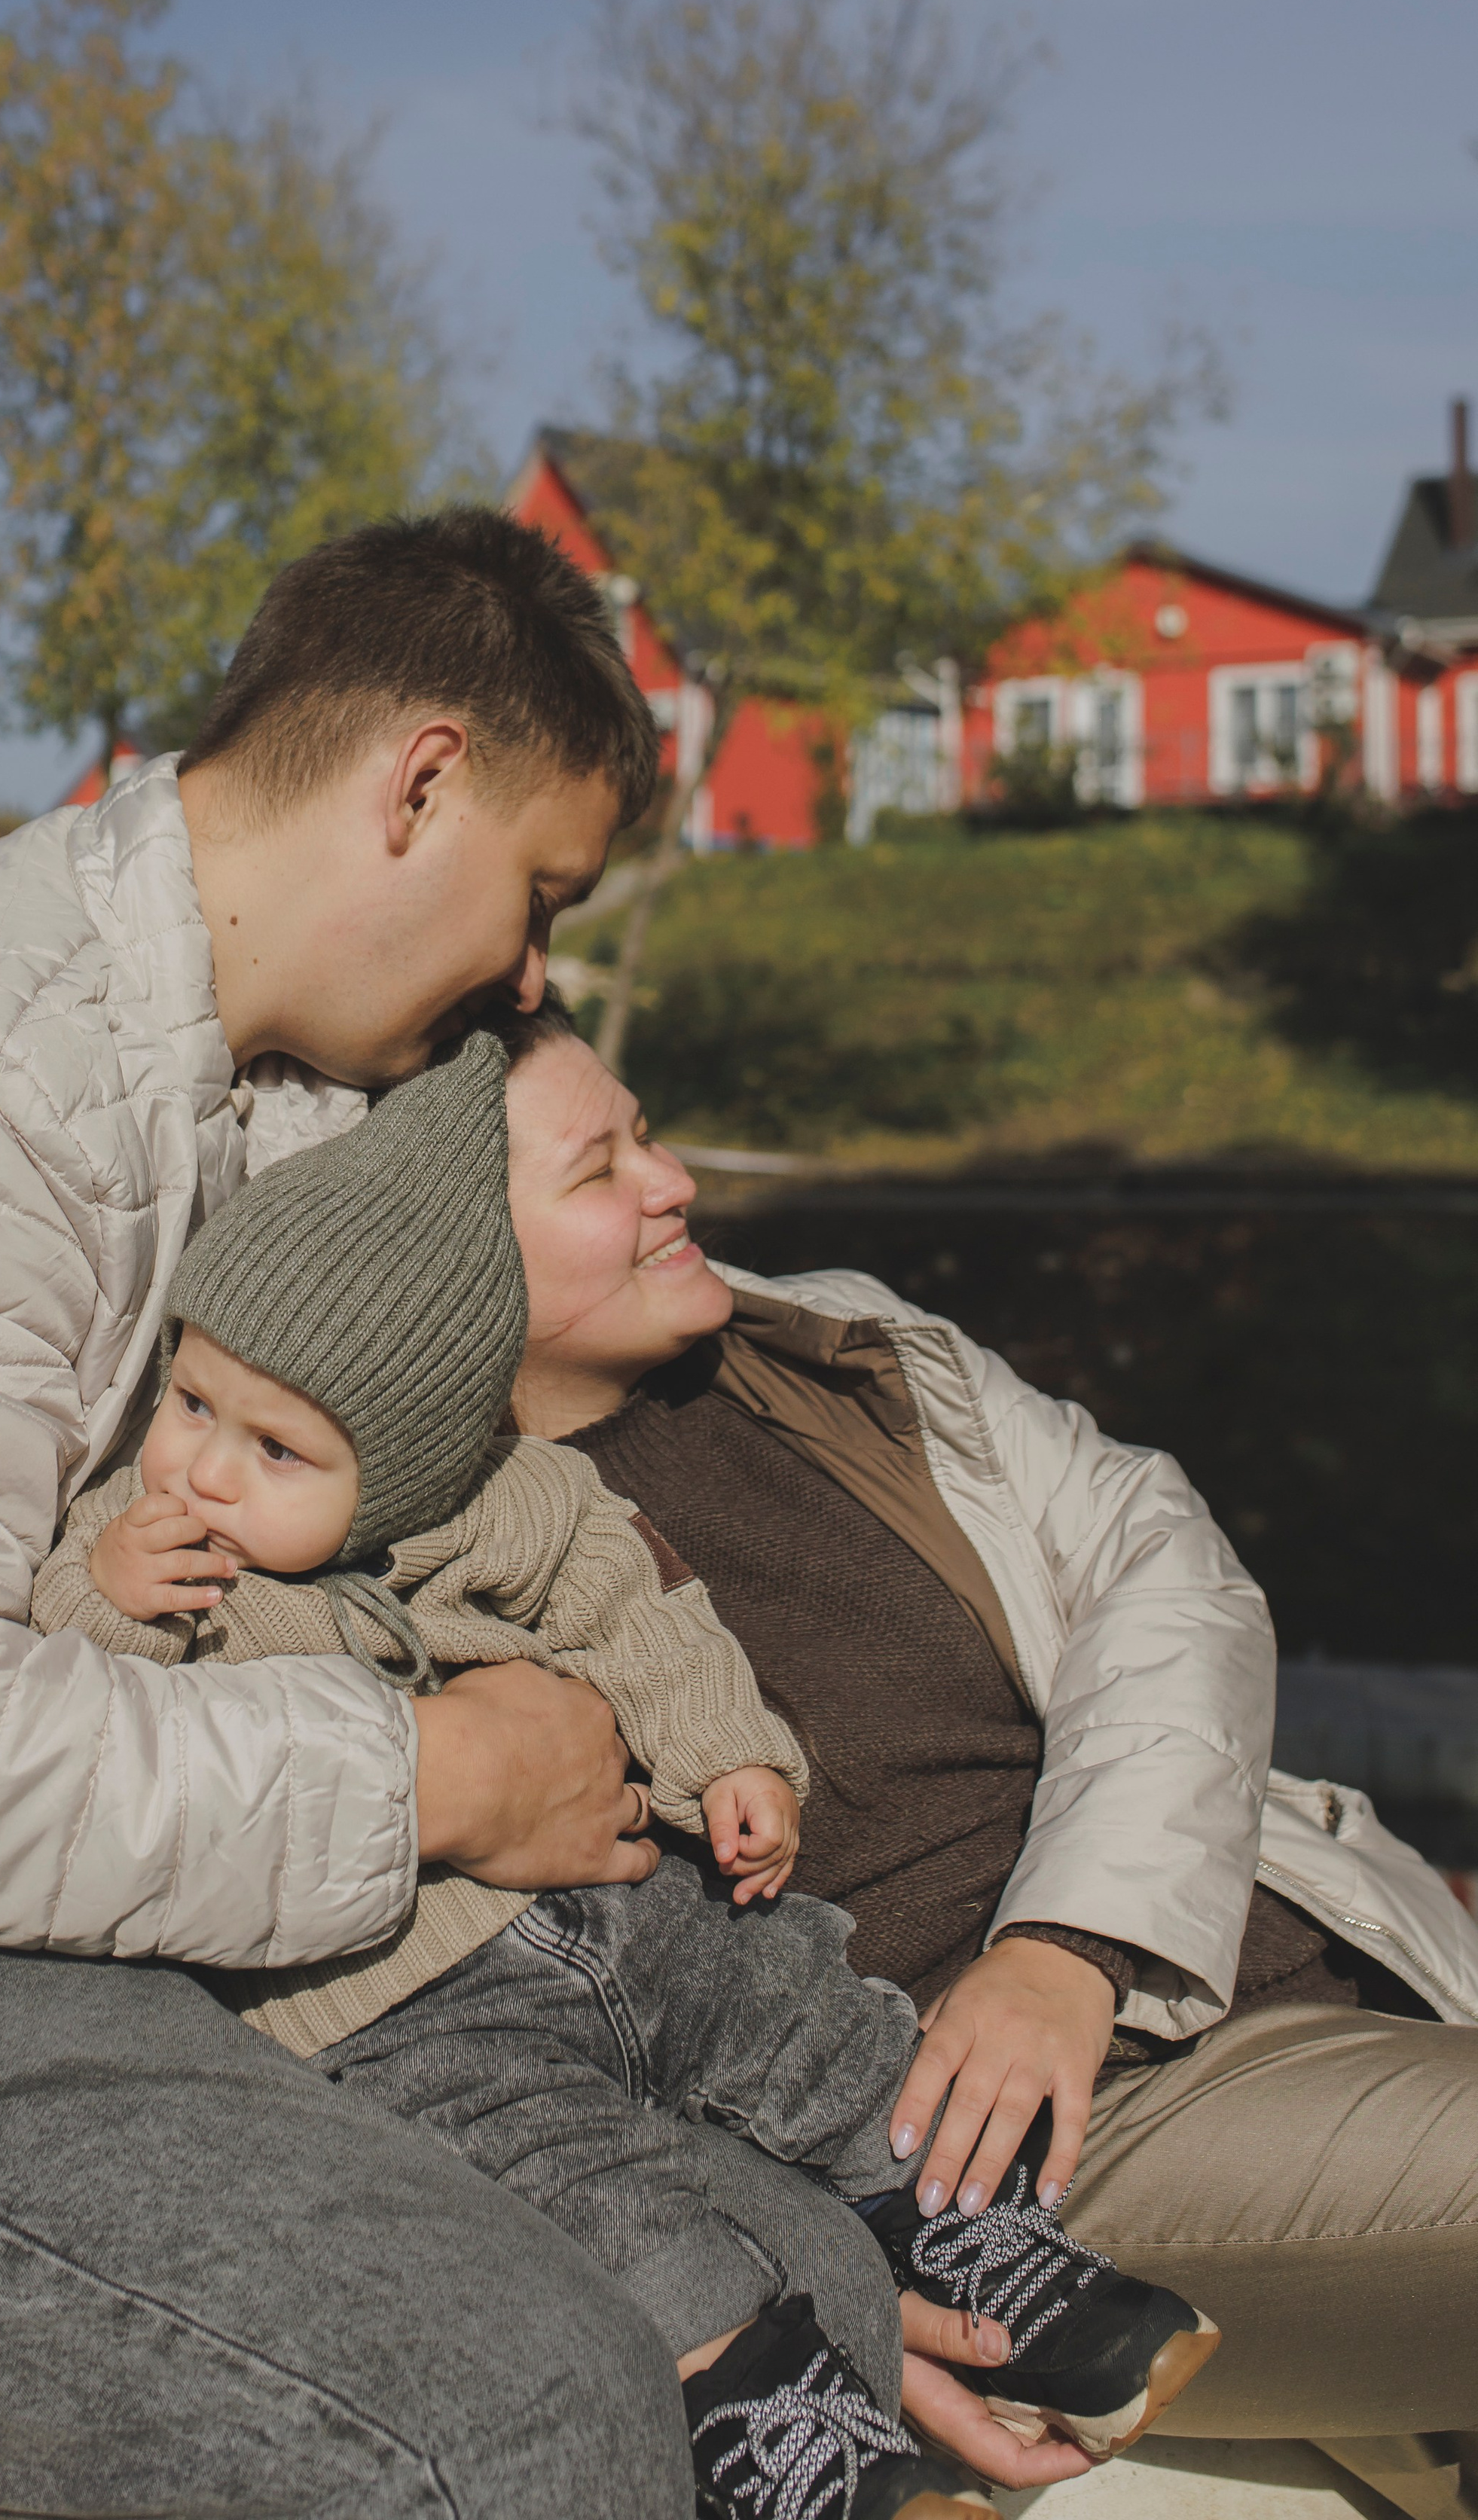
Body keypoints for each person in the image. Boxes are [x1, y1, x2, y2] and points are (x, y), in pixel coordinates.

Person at [0, 510, 723, 2520]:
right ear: (420, 781)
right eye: (538, 896)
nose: (533, 974)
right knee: (519, 2419)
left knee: (739, 2235)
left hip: (5, 1917)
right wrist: (422, 1776)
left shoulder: (258, 1078)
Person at [35, 1026, 1217, 2518]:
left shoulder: (515, 1498)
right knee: (586, 2192)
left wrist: (731, 1754)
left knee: (803, 2001)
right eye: (189, 1407)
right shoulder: (155, 1559)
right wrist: (111, 1600)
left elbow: (636, 1612)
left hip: (639, 1907)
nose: (201, 1465)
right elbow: (65, 1725)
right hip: (399, 1999)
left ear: (407, 1448)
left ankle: (984, 2248)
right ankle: (803, 2449)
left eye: (272, 1445)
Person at [493, 993, 1478, 2509]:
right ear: (442, 1254)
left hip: (1276, 1947)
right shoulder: (436, 1578)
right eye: (596, 1169)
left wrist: (1066, 1942)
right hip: (1019, 2162)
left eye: (647, 1132)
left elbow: (1161, 1568)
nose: (671, 1177)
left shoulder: (818, 1349)